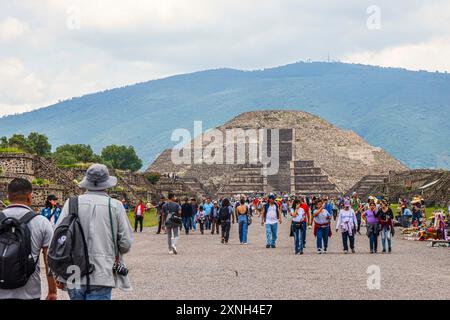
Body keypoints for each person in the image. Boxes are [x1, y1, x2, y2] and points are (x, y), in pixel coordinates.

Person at [56, 164, 133, 300]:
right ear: (107, 184)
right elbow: (126, 244)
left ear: (87, 182)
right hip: (103, 271)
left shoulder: (71, 203)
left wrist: (58, 272)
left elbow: (58, 238)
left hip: (75, 271)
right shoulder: (115, 205)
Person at [0, 178, 57, 300]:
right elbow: (49, 260)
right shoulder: (41, 222)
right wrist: (52, 291)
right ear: (30, 197)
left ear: (8, 196)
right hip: (29, 292)